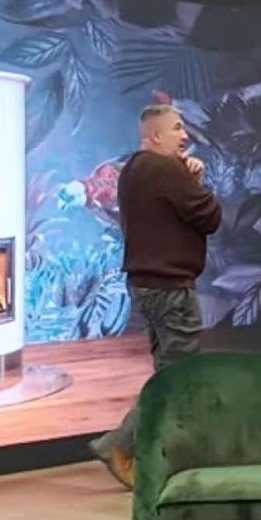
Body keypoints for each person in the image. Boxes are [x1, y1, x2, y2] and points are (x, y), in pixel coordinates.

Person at [90, 104, 222, 489]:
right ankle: (119, 444)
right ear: (155, 136)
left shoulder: (134, 170)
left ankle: (153, 456)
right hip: (169, 288)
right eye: (178, 129)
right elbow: (210, 216)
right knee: (177, 377)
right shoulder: (163, 169)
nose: (185, 136)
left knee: (167, 371)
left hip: (146, 287)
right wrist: (193, 179)